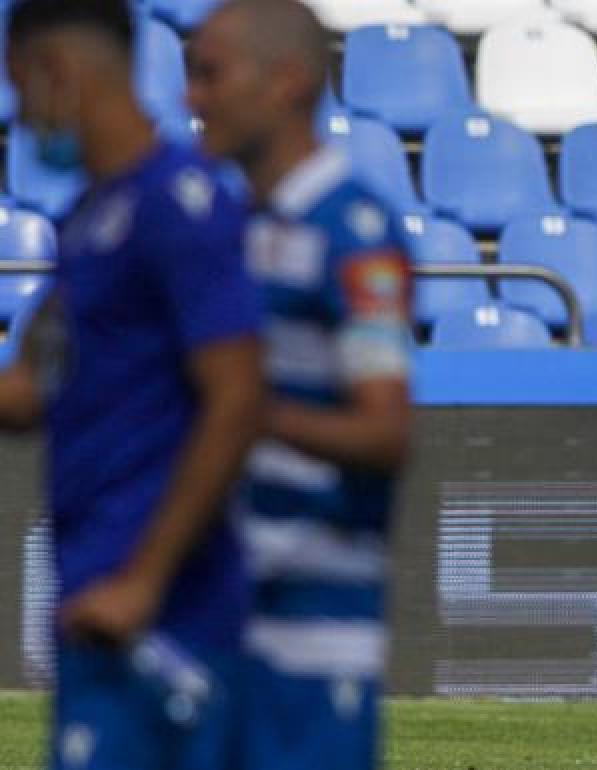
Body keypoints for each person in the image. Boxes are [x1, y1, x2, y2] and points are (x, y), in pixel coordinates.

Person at [1, 0, 265, 768]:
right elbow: (25, 390)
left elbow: (237, 395)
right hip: (94, 593)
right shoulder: (87, 221)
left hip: (161, 608)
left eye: (19, 92)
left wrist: (144, 580)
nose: (20, 118)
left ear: (55, 74)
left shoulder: (179, 206)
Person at [187, 1, 411, 767]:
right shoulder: (226, 224)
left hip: (315, 629)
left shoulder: (355, 233)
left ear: (284, 81)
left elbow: (386, 431)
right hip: (222, 611)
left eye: (210, 74)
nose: (192, 98)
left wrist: (248, 414)